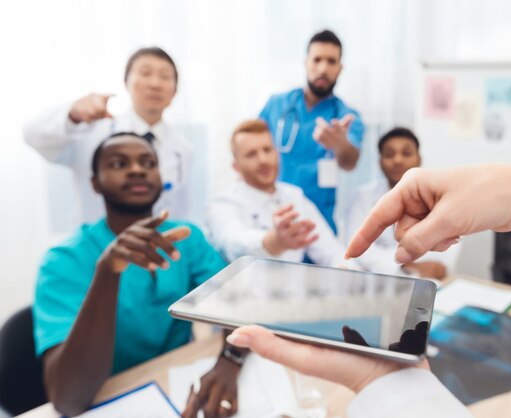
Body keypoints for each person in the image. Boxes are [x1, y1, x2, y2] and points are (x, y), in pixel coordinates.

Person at [226, 164, 511, 417]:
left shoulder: (295, 197)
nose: (264, 161)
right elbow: (348, 254)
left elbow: (335, 252)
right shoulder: (232, 204)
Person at [32, 133, 241, 418]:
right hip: (112, 397)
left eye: (148, 162)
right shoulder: (63, 260)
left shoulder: (185, 237)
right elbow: (68, 400)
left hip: (177, 382)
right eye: (119, 164)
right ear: (94, 182)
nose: (137, 169)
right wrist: (108, 272)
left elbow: (239, 300)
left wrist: (230, 361)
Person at [24, 47, 194, 224]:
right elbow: (32, 135)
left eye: (165, 77)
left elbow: (180, 210)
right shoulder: (91, 132)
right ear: (126, 82)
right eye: (145, 73)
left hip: (157, 247)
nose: (155, 84)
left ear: (175, 91)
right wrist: (72, 114)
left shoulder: (183, 149)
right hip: (99, 247)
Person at [259, 30, 365, 233]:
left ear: (340, 68)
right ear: (306, 63)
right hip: (272, 215)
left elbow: (349, 161)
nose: (323, 68)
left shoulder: (347, 117)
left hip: (318, 222)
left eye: (331, 61)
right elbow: (252, 147)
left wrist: (340, 144)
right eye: (317, 59)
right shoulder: (276, 105)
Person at [207, 120, 352, 268]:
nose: (263, 160)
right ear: (236, 166)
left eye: (267, 150)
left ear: (277, 154)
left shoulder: (294, 195)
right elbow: (231, 243)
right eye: (251, 154)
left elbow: (329, 249)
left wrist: (348, 269)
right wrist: (274, 241)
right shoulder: (224, 202)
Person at [346, 127, 458, 279]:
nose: (397, 160)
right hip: (377, 279)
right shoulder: (362, 198)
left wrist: (420, 267)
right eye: (389, 154)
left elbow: (441, 261)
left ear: (419, 159)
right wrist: (406, 266)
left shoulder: (440, 197)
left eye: (406, 153)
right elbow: (358, 248)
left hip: (428, 281)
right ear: (380, 162)